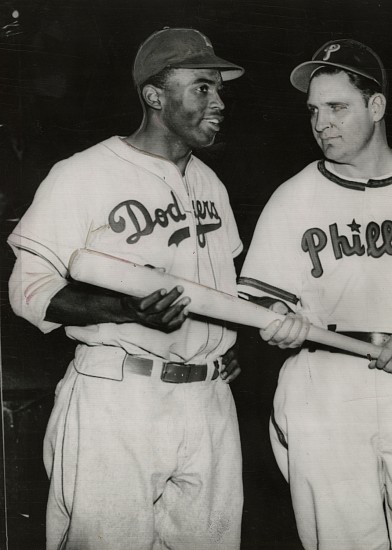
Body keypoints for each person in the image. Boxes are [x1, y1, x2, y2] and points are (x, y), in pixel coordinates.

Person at [8, 27, 245, 550]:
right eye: (202, 87)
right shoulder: (83, 174)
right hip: (119, 396)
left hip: (208, 402)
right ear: (154, 95)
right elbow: (28, 291)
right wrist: (125, 310)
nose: (219, 101)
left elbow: (222, 298)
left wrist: (223, 346)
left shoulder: (212, 185)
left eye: (220, 88)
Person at [238, 39, 392, 549]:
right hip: (325, 383)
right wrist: (275, 319)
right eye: (314, 111)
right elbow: (259, 305)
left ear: (376, 106)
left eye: (337, 107)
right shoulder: (294, 196)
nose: (321, 123)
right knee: (340, 541)